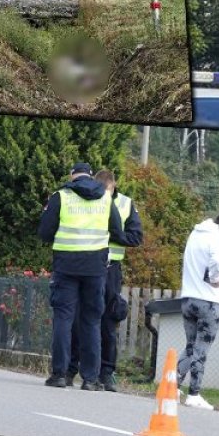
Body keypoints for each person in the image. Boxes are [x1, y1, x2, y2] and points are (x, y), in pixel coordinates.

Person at [38, 162, 125, 391]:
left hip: (66, 266)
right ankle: (90, 379)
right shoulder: (106, 198)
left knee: (63, 318)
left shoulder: (61, 196)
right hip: (96, 268)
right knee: (92, 321)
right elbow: (117, 231)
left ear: (72, 176)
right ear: (90, 176)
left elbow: (44, 232)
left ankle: (59, 375)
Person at [66, 169, 143, 391]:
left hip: (110, 269)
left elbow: (136, 236)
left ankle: (105, 373)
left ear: (113, 187)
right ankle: (72, 369)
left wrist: (113, 232)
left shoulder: (125, 203)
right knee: (79, 320)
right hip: (88, 264)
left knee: (108, 321)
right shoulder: (86, 198)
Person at [177, 210, 219, 410]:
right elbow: (217, 263)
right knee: (202, 349)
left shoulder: (196, 233)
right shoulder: (218, 239)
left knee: (190, 346)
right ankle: (194, 394)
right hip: (209, 301)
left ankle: (173, 387)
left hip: (188, 297)